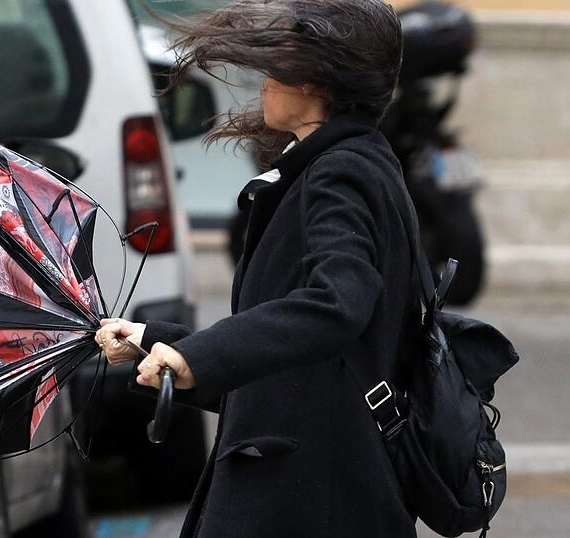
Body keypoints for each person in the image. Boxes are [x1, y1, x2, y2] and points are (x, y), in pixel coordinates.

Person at [96, 1, 417, 536]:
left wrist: (195, 355)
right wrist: (161, 344)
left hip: (310, 497)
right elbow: (295, 363)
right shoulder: (356, 163)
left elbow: (339, 304)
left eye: (277, 67)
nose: (264, 83)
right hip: (314, 486)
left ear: (314, 82)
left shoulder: (339, 172)